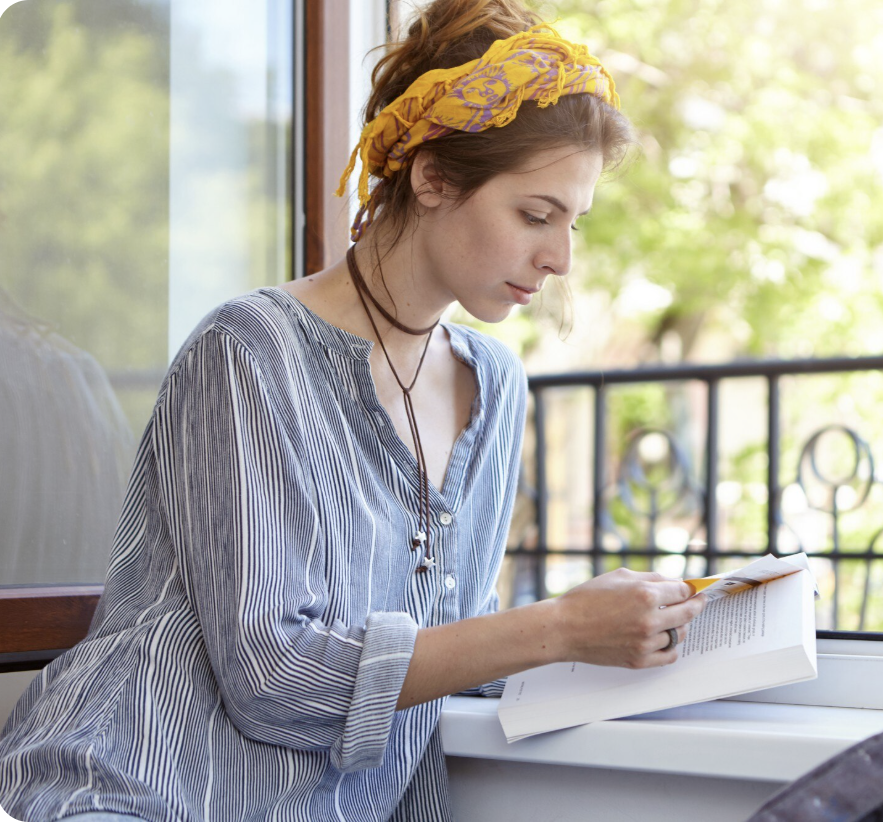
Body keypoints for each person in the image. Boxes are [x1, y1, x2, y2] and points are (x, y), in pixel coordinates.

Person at [0, 0, 707, 820]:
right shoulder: (250, 351)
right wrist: (557, 629)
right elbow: (273, 679)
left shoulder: (496, 386)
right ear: (432, 176)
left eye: (573, 223)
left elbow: (440, 659)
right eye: (535, 215)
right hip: (129, 795)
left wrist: (635, 629)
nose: (559, 258)